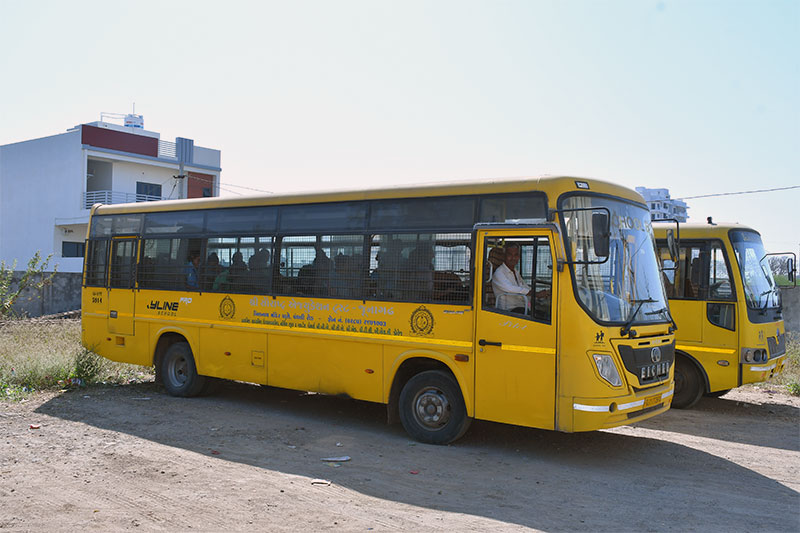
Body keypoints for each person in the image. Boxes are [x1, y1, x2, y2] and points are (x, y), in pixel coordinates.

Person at [491, 242, 550, 313]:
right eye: (510, 255)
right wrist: (535, 294)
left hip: (522, 307)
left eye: (516, 255)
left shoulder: (515, 272)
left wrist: (540, 294)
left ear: (519, 257)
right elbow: (511, 288)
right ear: (504, 256)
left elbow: (525, 287)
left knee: (545, 313)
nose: (513, 258)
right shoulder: (499, 273)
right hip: (509, 311)